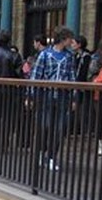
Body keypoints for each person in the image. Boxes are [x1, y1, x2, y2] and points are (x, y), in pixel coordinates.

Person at [29, 26, 77, 172]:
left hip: (62, 96)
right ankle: (39, 154)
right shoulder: (45, 55)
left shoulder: (69, 56)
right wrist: (31, 95)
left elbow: (72, 77)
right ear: (64, 38)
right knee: (44, 126)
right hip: (47, 95)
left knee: (58, 129)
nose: (71, 41)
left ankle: (50, 157)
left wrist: (74, 97)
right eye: (70, 38)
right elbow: (36, 76)